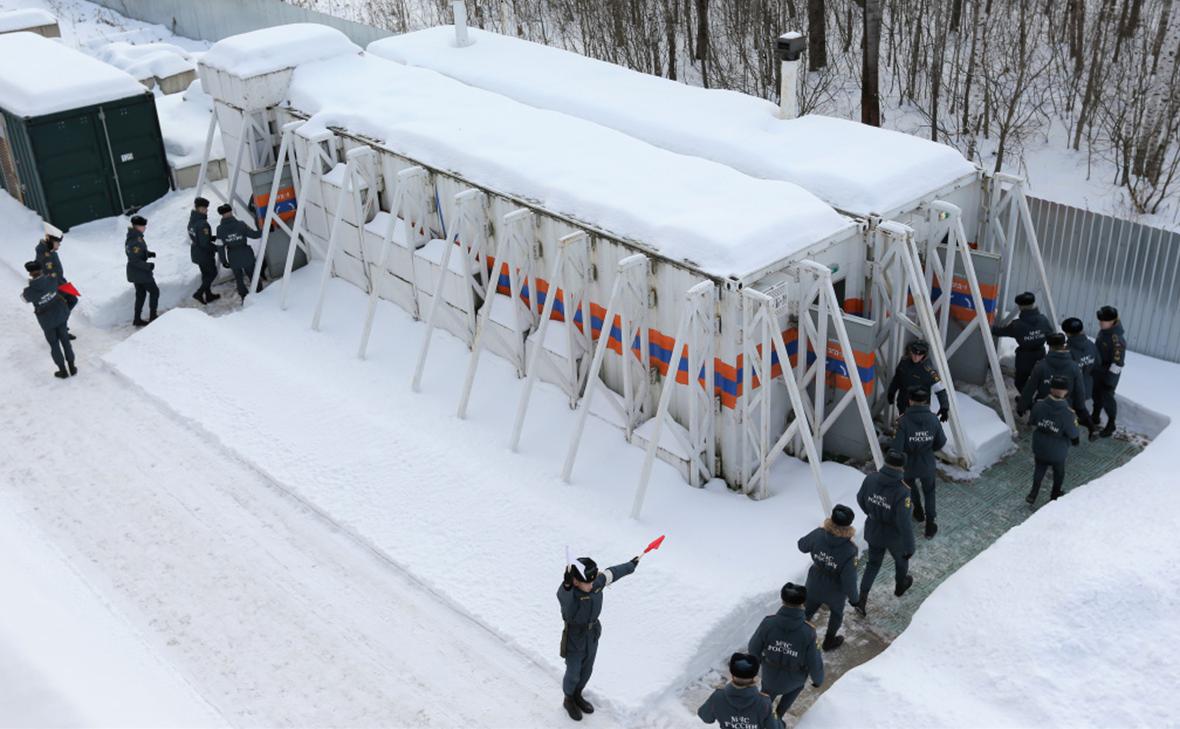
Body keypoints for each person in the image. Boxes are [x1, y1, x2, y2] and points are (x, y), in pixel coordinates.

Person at [557, 553, 640, 721]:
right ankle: (568, 699)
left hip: (592, 633)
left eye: (593, 581)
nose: (592, 585)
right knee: (573, 672)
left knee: (587, 669)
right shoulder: (570, 595)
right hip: (575, 637)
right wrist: (566, 585)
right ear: (575, 581)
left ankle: (577, 694)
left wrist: (631, 565)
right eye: (587, 583)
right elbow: (563, 596)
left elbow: (611, 573)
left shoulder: (595, 583)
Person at [852, 449, 915, 616]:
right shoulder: (903, 491)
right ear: (901, 468)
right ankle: (900, 586)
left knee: (872, 564)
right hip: (895, 536)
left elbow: (860, 498)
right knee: (901, 561)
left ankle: (862, 599)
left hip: (874, 529)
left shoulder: (871, 479)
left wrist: (872, 514)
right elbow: (904, 522)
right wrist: (910, 546)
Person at [746, 583, 823, 720]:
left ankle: (762, 717)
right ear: (803, 603)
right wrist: (818, 680)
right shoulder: (808, 632)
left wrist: (760, 662)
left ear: (782, 600)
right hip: (794, 680)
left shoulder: (768, 623)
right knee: (789, 697)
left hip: (769, 675)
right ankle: (778, 718)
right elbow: (814, 662)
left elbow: (753, 647)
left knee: (766, 699)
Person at [796, 506, 859, 651]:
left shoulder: (819, 534)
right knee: (836, 614)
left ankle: (797, 637)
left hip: (814, 582)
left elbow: (802, 545)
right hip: (835, 590)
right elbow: (849, 580)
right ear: (849, 525)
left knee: (806, 611)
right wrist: (854, 599)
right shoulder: (850, 550)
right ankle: (829, 641)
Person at [891, 389, 947, 539]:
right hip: (927, 462)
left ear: (910, 401)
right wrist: (928, 449)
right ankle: (930, 525)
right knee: (929, 492)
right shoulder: (933, 419)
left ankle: (918, 510)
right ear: (927, 401)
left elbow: (896, 448)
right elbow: (941, 442)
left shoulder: (903, 421)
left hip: (908, 463)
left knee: (910, 486)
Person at [1018, 333, 1089, 429]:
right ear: (1064, 345)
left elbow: (1029, 389)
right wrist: (1080, 408)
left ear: (1050, 347)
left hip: (1043, 408)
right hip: (1065, 408)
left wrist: (1021, 406)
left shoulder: (1041, 366)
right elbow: (1080, 390)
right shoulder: (1074, 367)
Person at [1027, 375, 1080, 504]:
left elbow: (1032, 421)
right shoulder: (1068, 413)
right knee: (1059, 473)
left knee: (1039, 469)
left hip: (1039, 446)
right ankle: (1054, 495)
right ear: (1066, 392)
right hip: (1058, 451)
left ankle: (1033, 494)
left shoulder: (1039, 405)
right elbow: (1073, 434)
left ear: (1051, 389)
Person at [697, 652, 784, 729]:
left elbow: (705, 717)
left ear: (732, 675)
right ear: (754, 677)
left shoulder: (717, 697)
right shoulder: (764, 702)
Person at [20, 261, 76, 378]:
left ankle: (63, 371)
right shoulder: (51, 280)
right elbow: (57, 285)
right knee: (65, 340)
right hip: (60, 315)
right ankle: (72, 367)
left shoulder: (29, 291)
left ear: (30, 274)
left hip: (47, 322)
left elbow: (24, 299)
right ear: (41, 270)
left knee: (54, 344)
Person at [991, 291, 1054, 391]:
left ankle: (1025, 402)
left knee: (1020, 383)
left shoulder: (1017, 325)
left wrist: (986, 327)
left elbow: (1000, 332)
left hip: (1024, 358)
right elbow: (1052, 337)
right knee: (1039, 380)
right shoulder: (1043, 320)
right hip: (1040, 356)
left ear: (1020, 307)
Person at [886, 339, 950, 421]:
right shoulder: (904, 362)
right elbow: (897, 378)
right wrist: (891, 392)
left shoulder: (928, 370)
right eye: (914, 353)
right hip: (903, 404)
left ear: (924, 355)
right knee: (904, 427)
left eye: (920, 355)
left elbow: (940, 390)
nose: (916, 357)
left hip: (920, 408)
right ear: (910, 352)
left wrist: (944, 407)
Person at [1090, 306, 1126, 439]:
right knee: (1096, 393)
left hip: (1109, 372)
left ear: (1112, 321)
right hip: (1098, 370)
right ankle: (1095, 415)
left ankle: (1111, 424)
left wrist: (1110, 381)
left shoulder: (1117, 340)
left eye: (1103, 320)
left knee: (1107, 397)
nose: (1100, 322)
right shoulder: (1104, 331)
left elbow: (1118, 363)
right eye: (1100, 319)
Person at [35, 222, 77, 337]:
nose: (59, 245)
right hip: (54, 288)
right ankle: (61, 330)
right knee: (63, 307)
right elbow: (47, 276)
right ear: (50, 240)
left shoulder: (51, 252)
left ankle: (62, 327)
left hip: (61, 283)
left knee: (72, 300)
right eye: (57, 242)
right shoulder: (44, 255)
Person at [216, 204, 262, 299]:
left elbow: (220, 246)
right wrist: (265, 230)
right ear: (231, 212)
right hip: (246, 254)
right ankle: (260, 293)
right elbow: (253, 235)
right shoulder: (241, 224)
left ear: (222, 215)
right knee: (253, 275)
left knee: (238, 278)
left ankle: (244, 296)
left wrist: (224, 261)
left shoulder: (219, 229)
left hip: (233, 257)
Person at [125, 215, 158, 326]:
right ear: (136, 226)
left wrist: (148, 253)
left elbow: (138, 253)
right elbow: (134, 260)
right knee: (154, 291)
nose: (145, 227)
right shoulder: (134, 240)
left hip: (136, 273)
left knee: (141, 294)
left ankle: (137, 319)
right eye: (143, 226)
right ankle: (153, 317)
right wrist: (148, 266)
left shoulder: (135, 236)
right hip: (140, 273)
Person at [189, 197, 221, 304]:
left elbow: (197, 237)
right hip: (204, 255)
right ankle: (199, 293)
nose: (207, 210)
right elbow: (204, 243)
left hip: (196, 253)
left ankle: (208, 295)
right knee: (212, 273)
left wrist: (211, 237)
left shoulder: (192, 220)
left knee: (205, 275)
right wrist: (217, 248)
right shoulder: (203, 224)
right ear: (200, 208)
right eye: (205, 208)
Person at [1062, 317, 1098, 404]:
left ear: (1067, 333)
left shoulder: (1067, 351)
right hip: (1087, 389)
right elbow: (1098, 365)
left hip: (1071, 393)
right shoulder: (1091, 345)